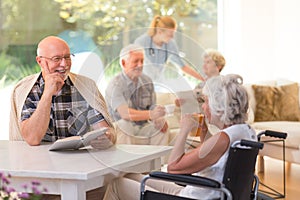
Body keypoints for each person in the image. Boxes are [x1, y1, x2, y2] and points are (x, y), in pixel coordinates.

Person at [103, 74, 257, 200]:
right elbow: (213, 157)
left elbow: (174, 168)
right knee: (131, 175)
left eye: (206, 102)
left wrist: (184, 129)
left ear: (219, 107)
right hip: (207, 191)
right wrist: (203, 131)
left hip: (194, 196)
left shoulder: (222, 139)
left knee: (117, 184)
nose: (203, 106)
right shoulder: (245, 132)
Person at [9, 36, 116, 150]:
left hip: (78, 161)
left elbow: (105, 129)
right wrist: (47, 94)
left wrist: (108, 137)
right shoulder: (25, 90)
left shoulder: (85, 86)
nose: (64, 64)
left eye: (67, 57)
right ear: (40, 61)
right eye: (57, 59)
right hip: (37, 163)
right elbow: (32, 139)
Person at [105, 44, 169, 145]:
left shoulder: (147, 81)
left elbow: (153, 109)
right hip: (121, 128)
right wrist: (151, 114)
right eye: (136, 61)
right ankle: (125, 160)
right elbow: (125, 114)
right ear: (123, 63)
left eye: (142, 61)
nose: (140, 65)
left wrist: (158, 118)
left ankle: (160, 161)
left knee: (160, 127)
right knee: (124, 125)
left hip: (142, 127)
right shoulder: (115, 85)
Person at [134, 15, 204, 82]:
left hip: (159, 84)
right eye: (169, 35)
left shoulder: (170, 44)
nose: (172, 37)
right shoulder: (141, 42)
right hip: (141, 83)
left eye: (173, 34)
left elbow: (182, 66)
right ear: (159, 31)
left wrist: (203, 79)